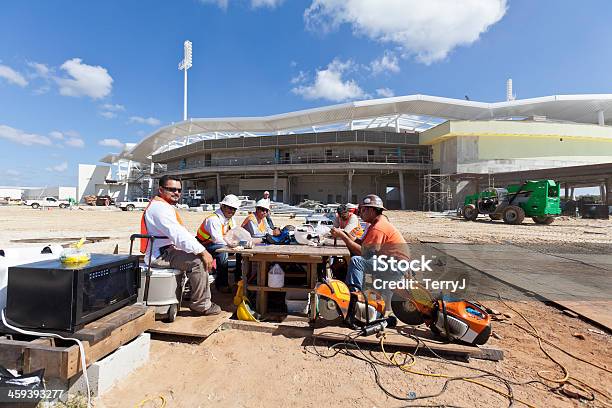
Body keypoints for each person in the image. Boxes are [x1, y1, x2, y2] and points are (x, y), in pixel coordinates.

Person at [141, 175, 220, 315]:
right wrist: (202, 252)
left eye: (178, 190)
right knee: (198, 261)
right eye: (171, 189)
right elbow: (178, 234)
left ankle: (193, 293)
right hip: (160, 254)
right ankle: (201, 305)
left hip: (166, 250)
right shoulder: (159, 208)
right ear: (160, 190)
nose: (176, 193)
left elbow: (180, 233)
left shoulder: (162, 206)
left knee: (198, 255)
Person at [330, 194, 407, 292]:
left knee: (356, 261)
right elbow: (360, 243)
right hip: (391, 262)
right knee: (353, 256)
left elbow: (364, 253)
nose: (360, 214)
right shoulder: (374, 224)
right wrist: (344, 234)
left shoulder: (379, 227)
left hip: (396, 266)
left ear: (371, 210)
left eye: (363, 210)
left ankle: (355, 295)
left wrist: (343, 236)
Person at [196, 194, 241, 293]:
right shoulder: (213, 219)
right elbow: (217, 240)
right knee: (222, 251)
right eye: (230, 208)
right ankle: (221, 284)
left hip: (217, 244)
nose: (232, 211)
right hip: (203, 246)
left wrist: (238, 244)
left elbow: (235, 233)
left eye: (234, 209)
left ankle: (239, 280)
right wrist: (232, 245)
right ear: (222, 206)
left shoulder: (230, 219)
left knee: (241, 252)